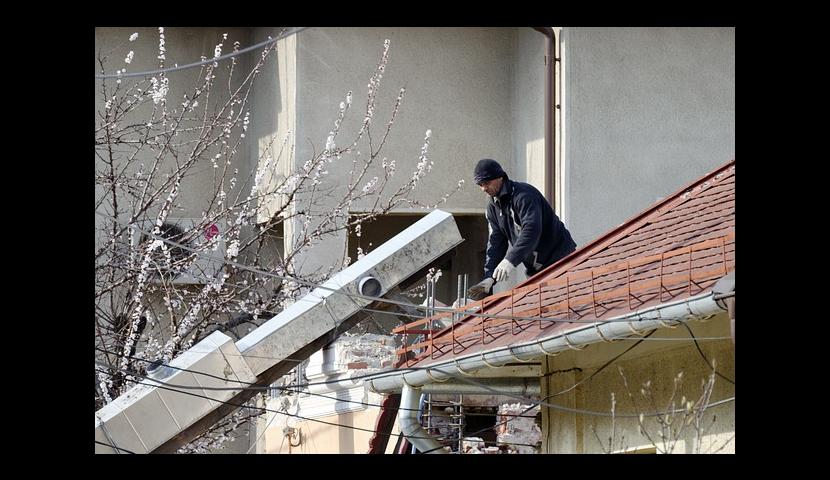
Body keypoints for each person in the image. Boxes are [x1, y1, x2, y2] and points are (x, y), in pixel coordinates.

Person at [467, 158, 577, 300]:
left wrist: (510, 260)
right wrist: (489, 277)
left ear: (500, 177)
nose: (483, 188)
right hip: (536, 270)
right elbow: (495, 242)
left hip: (561, 259)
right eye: (480, 185)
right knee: (539, 307)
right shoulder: (492, 207)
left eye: (486, 183)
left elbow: (531, 230)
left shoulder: (524, 195)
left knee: (568, 304)